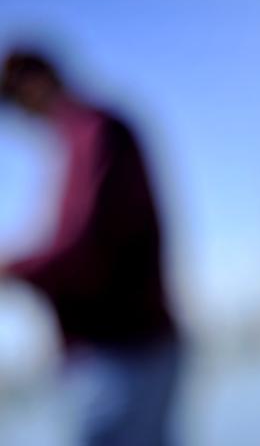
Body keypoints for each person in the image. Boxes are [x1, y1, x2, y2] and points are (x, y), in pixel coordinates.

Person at [0, 49, 179, 446]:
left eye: (13, 100)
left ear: (36, 80)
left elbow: (84, 249)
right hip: (130, 352)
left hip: (122, 354)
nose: (20, 116)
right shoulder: (87, 137)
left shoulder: (94, 133)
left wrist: (11, 268)